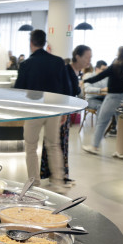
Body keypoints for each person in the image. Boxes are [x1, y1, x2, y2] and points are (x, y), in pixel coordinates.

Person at [14, 29, 71, 193]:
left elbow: (18, 90)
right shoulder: (58, 62)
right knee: (54, 145)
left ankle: (34, 183)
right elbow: (66, 88)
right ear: (45, 42)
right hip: (53, 109)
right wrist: (64, 111)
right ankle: (58, 182)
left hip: (33, 109)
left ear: (31, 43)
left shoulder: (26, 64)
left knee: (31, 146)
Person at [41, 45, 91, 187]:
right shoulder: (67, 70)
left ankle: (62, 175)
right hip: (60, 111)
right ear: (77, 57)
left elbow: (74, 91)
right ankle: (56, 176)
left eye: (90, 58)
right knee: (57, 143)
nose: (89, 60)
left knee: (62, 143)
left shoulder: (75, 72)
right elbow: (63, 92)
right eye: (87, 57)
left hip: (65, 111)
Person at [82, 46, 123, 156]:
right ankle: (121, 151)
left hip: (113, 97)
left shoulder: (115, 66)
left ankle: (94, 146)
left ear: (120, 54)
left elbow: (100, 76)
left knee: (102, 121)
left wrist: (85, 80)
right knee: (121, 124)